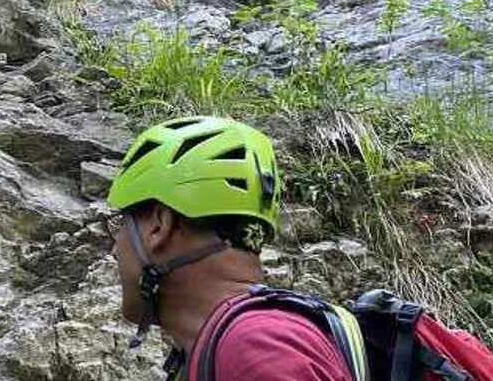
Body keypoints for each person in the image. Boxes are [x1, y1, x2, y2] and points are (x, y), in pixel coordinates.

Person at [104, 116, 355, 381]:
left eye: (122, 225)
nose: (115, 251)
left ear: (159, 226)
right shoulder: (230, 347)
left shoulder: (256, 353)